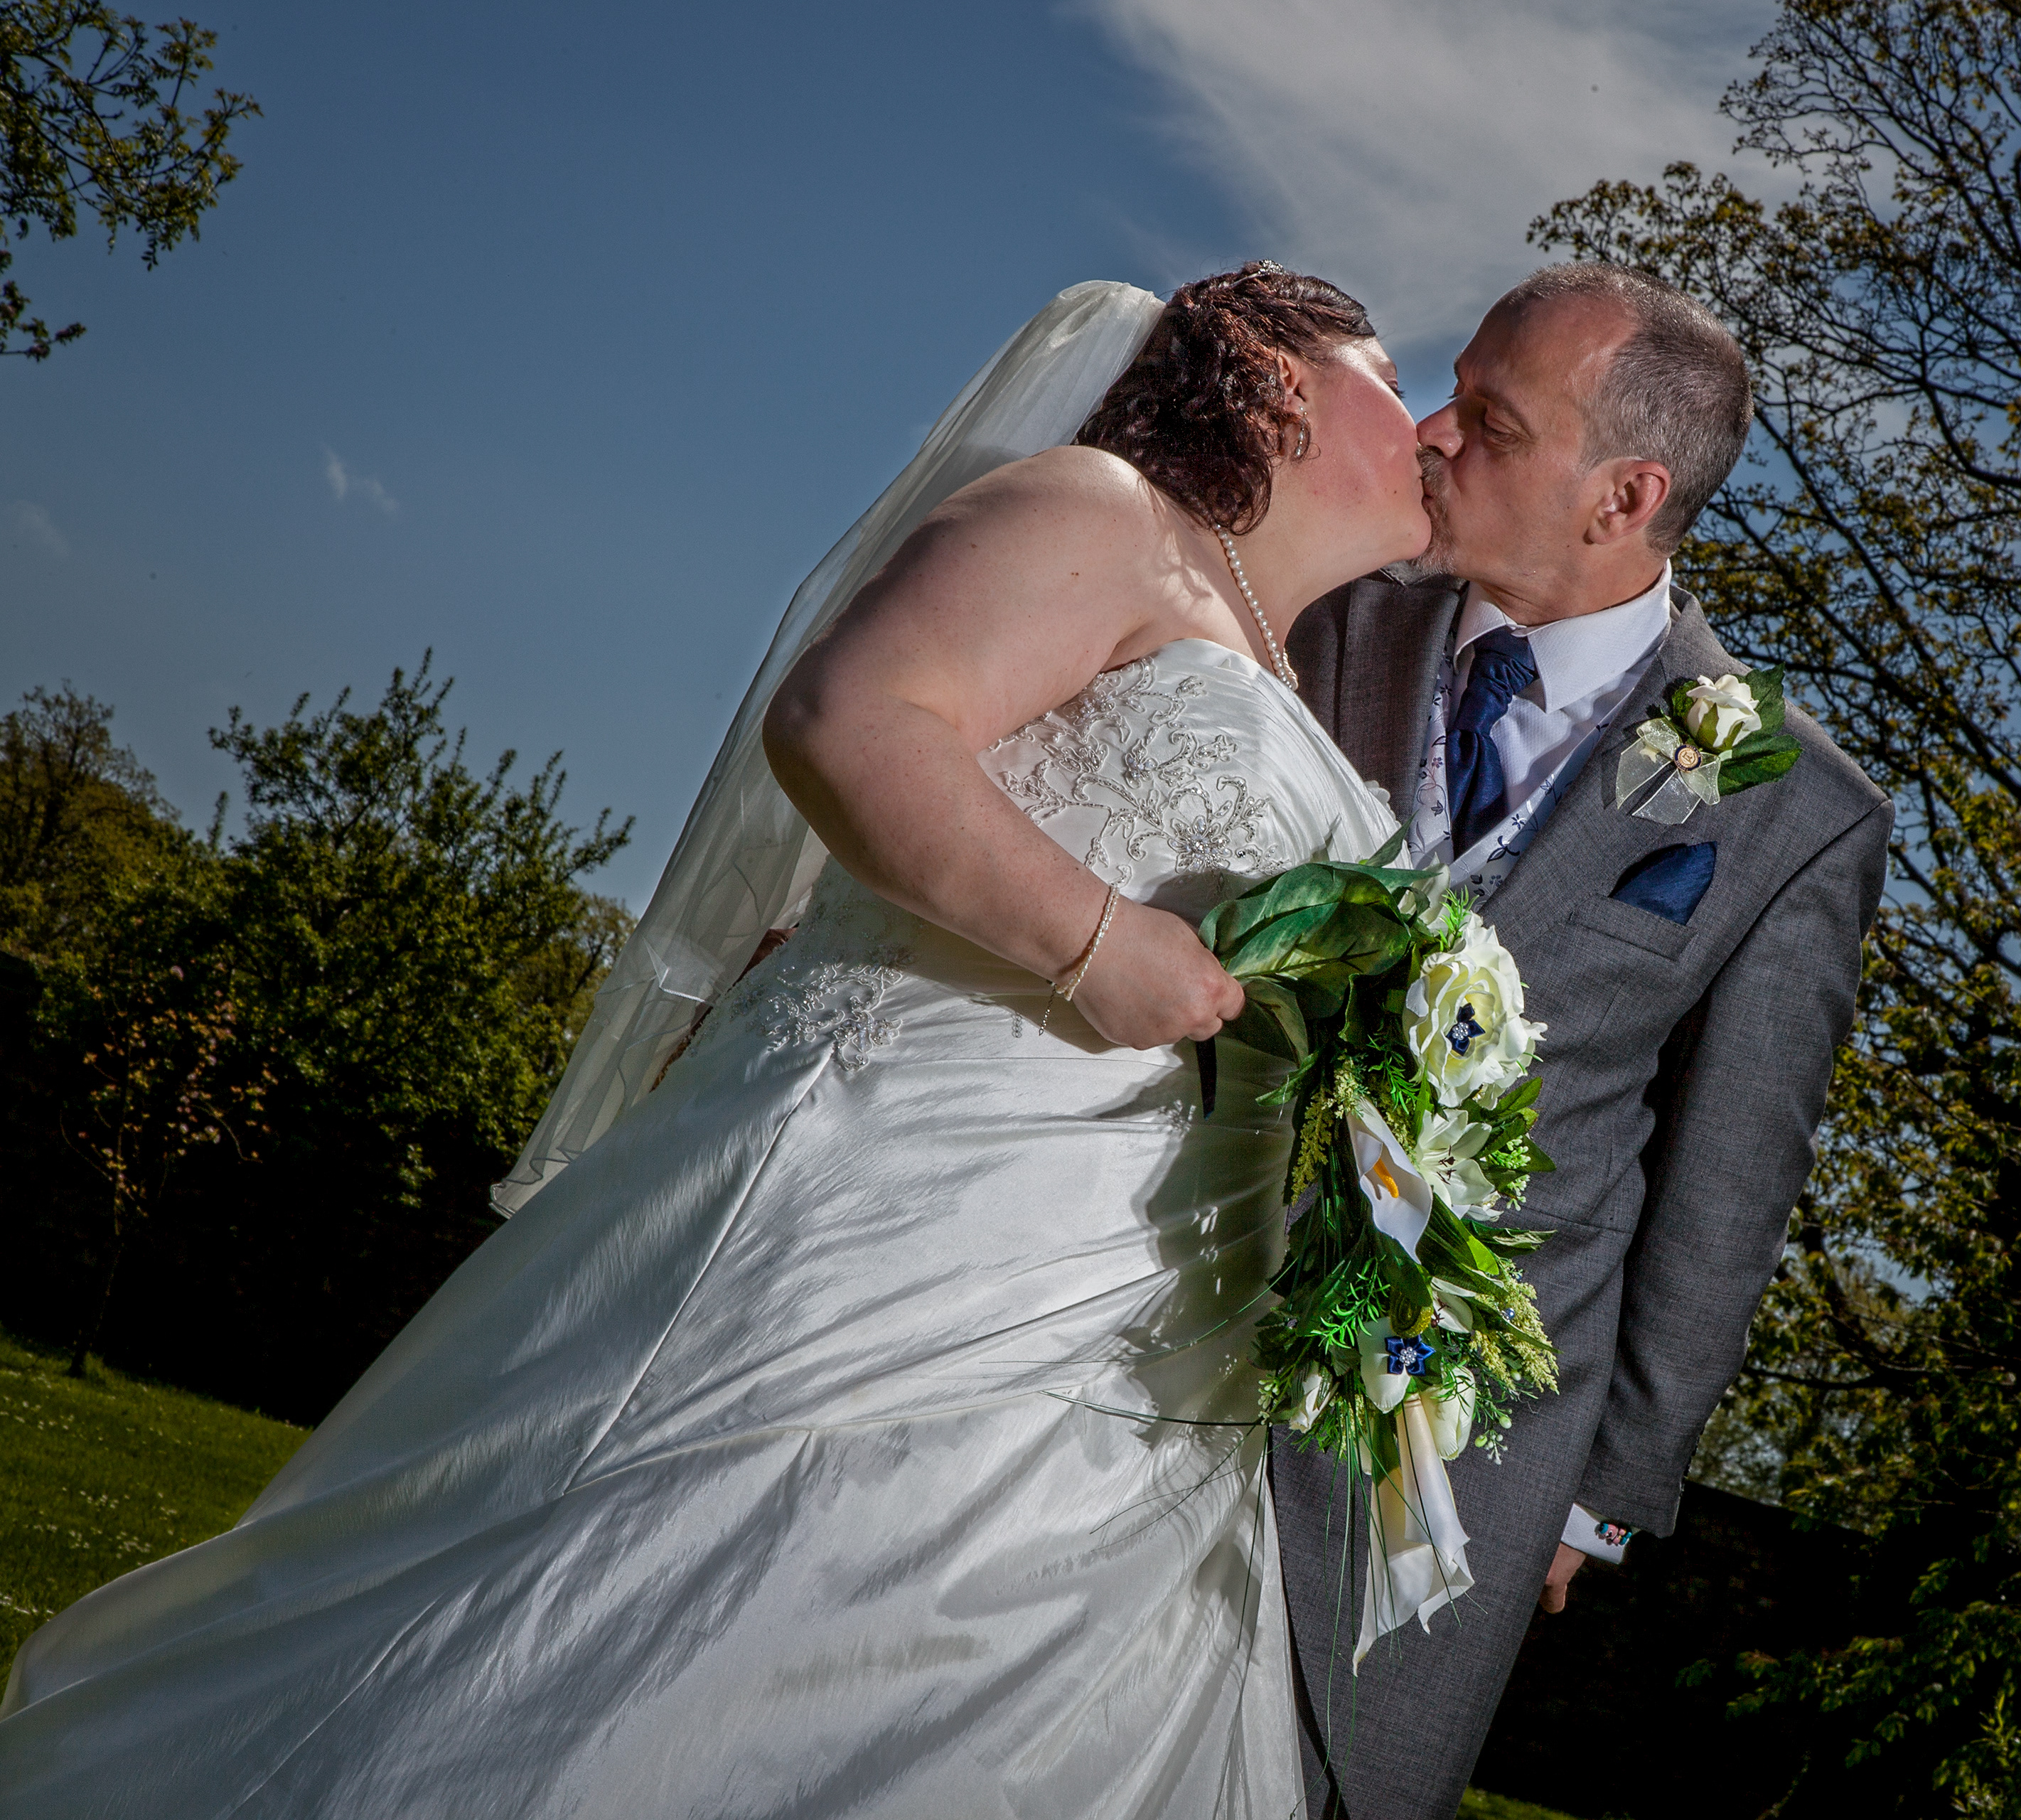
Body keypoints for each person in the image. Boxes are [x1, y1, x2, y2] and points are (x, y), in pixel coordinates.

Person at [0, 264, 1427, 1819]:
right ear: (1284, 388)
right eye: (1392, 373)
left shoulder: (1276, 658)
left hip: (1134, 1294)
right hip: (891, 1206)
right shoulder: (1101, 509)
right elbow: (852, 716)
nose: (1422, 418)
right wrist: (1097, 942)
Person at [1274, 263, 1894, 1820]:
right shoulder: (1325, 607)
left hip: (1457, 1433)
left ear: (1626, 494)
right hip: (1160, 1299)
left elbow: (1729, 1173)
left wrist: (1612, 1486)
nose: (1427, 432)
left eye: (1489, 418)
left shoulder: (1786, 805)